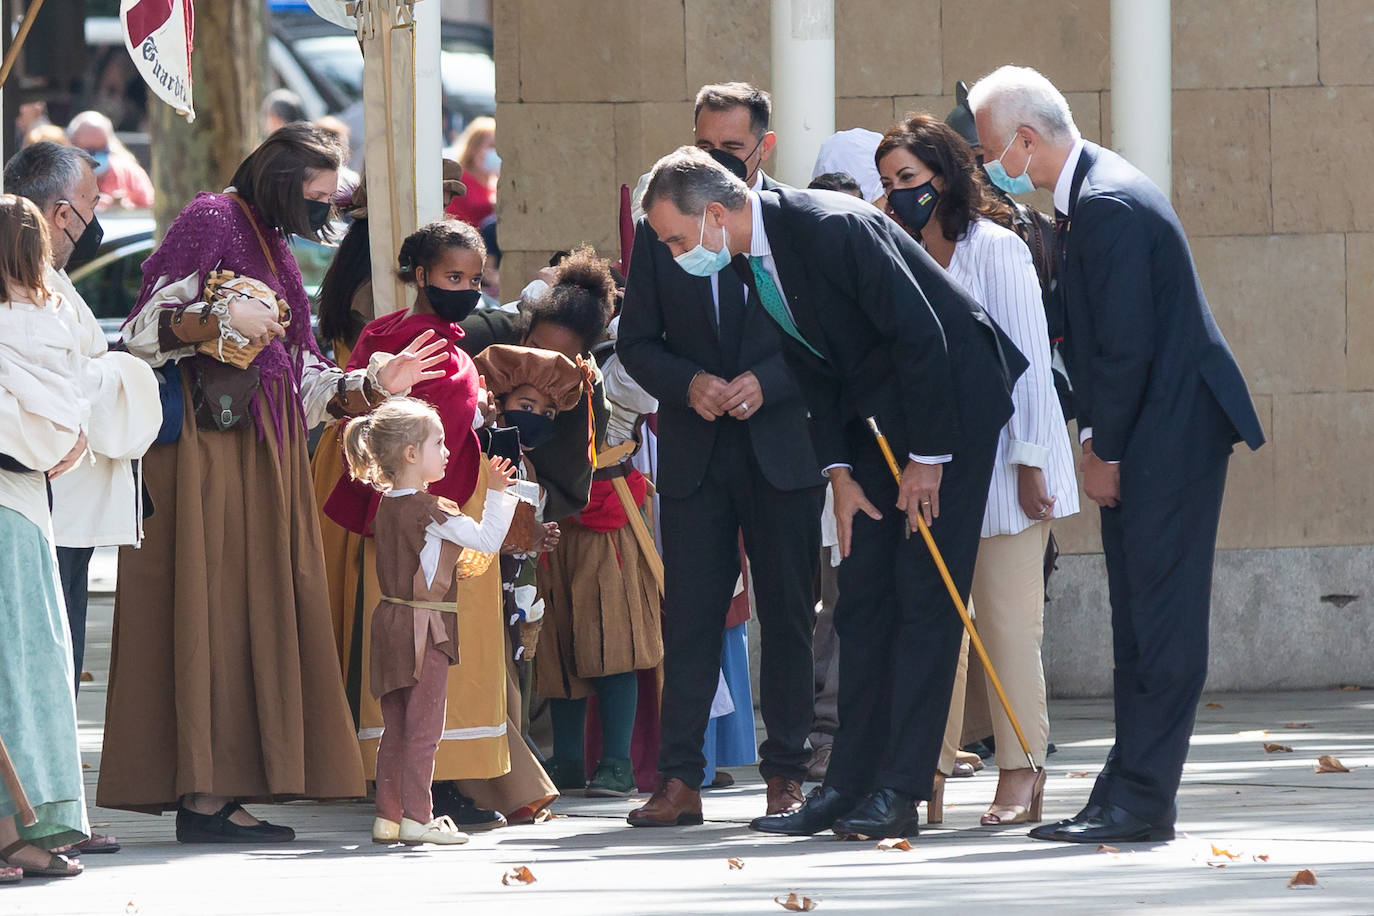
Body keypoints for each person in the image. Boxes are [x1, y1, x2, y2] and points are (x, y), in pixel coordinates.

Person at [638, 146, 1027, 839]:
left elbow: (923, 337)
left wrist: (929, 459)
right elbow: (813, 368)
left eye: (674, 237)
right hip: (875, 420)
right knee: (864, 599)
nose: (670, 255)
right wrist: (840, 475)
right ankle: (847, 785)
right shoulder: (753, 255)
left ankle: (901, 787)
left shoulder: (828, 225)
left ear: (717, 214)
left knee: (922, 601)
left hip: (948, 413)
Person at [100, 125, 446, 842]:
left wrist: (371, 383)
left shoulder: (273, 240)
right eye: (314, 196)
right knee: (213, 613)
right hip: (207, 453)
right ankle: (203, 797)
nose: (320, 212)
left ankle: (222, 795)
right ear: (280, 178)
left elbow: (301, 374)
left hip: (267, 454)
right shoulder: (212, 219)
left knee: (253, 616)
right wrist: (213, 318)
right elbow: (138, 332)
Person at [968, 66, 1265, 844]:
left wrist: (1103, 450)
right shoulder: (1090, 197)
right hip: (1154, 429)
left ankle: (1142, 799)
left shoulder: (1109, 206)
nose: (986, 165)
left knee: (1160, 624)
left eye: (990, 149)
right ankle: (1124, 790)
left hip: (1165, 435)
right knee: (1138, 620)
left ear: (1026, 142)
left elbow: (1125, 350)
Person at [875, 113, 1079, 825]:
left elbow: (1026, 366)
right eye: (887, 182)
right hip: (935, 470)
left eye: (909, 178)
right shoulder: (900, 251)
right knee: (935, 626)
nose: (898, 193)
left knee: (1005, 623)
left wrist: (1029, 463)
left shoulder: (997, 248)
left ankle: (1023, 769)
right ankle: (922, 772)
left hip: (1007, 469)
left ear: (944, 174)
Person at [323, 219, 558, 828]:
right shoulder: (391, 338)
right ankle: (420, 795)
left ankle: (456, 786)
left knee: (463, 661)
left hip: (461, 515)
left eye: (475, 278)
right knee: (421, 664)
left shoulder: (455, 344)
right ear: (420, 274)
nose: (466, 288)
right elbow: (361, 417)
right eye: (453, 276)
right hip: (416, 525)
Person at [619, 140, 826, 826]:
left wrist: (767, 382)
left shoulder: (784, 233)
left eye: (681, 236)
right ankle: (680, 779)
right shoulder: (659, 241)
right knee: (691, 620)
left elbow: (826, 336)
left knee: (790, 615)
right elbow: (637, 342)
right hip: (696, 453)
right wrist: (690, 383)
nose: (677, 248)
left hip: (781, 451)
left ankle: (787, 774)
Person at [517, 251, 664, 798]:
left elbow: (648, 390)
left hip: (608, 507)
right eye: (538, 347)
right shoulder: (519, 360)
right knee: (554, 634)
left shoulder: (622, 371)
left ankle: (618, 762)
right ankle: (570, 758)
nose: (545, 361)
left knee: (613, 635)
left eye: (561, 352)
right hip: (549, 509)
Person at [342, 398, 521, 846]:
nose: (447, 451)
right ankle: (419, 818)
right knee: (424, 730)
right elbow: (487, 538)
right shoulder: (432, 509)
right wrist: (498, 491)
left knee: (395, 729)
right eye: (438, 443)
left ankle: (388, 815)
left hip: (389, 624)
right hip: (426, 630)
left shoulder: (386, 506)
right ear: (409, 454)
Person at [0, 194, 91, 880]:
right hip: (17, 506)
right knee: (20, 673)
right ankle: (11, 830)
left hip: (22, 499)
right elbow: (64, 415)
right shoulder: (45, 317)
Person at [66, 111, 154, 210]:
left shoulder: (129, 173)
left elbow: (152, 209)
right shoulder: (58, 177)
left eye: (103, 149)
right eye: (91, 150)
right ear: (72, 146)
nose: (97, 156)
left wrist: (126, 208)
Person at [445, 116, 498, 228]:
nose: (495, 153)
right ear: (474, 148)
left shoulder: (495, 184)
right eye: (491, 146)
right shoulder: (460, 181)